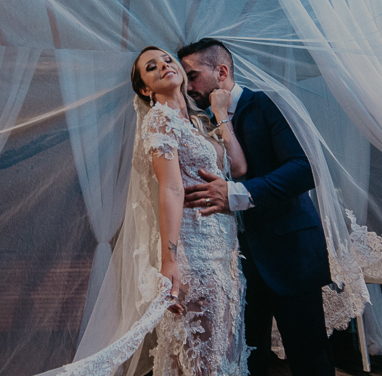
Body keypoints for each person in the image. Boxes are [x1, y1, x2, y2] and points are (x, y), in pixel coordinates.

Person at [176, 38, 333, 376]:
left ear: (221, 72)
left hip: (290, 252)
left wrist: (237, 194)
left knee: (309, 358)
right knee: (248, 362)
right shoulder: (201, 122)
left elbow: (304, 169)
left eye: (193, 76)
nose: (187, 87)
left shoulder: (267, 104)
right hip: (236, 263)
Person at [129, 46, 251, 376]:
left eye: (167, 59)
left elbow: (238, 168)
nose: (163, 65)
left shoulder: (199, 122)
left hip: (224, 251)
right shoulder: (160, 120)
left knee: (222, 353)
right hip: (194, 250)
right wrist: (169, 261)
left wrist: (220, 113)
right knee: (202, 359)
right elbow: (170, 189)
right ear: (145, 89)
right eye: (151, 67)